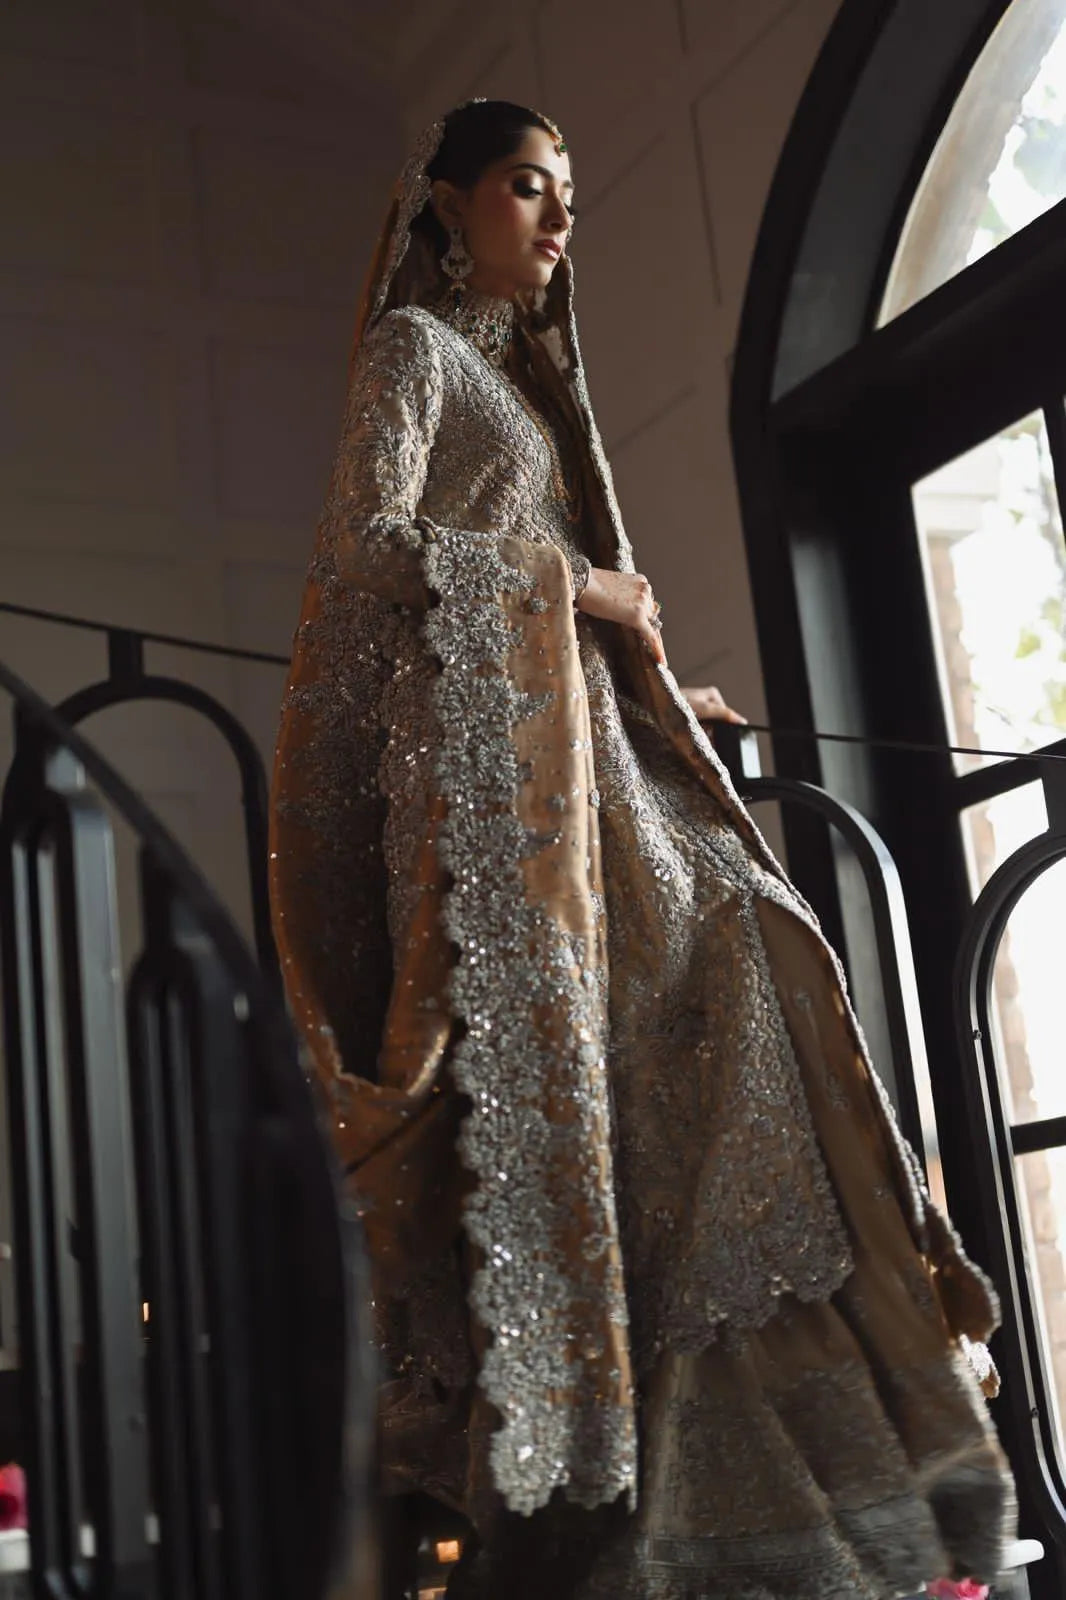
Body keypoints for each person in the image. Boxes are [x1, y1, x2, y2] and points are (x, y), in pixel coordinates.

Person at [268, 98, 1015, 1599]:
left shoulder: (516, 377)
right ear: (447, 203)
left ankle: (748, 1463)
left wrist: (659, 686)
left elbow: (543, 590)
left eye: (567, 202)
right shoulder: (418, 352)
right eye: (525, 191)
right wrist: (589, 594)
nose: (553, 223)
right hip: (487, 787)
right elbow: (367, 546)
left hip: (581, 755)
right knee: (689, 989)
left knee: (737, 958)